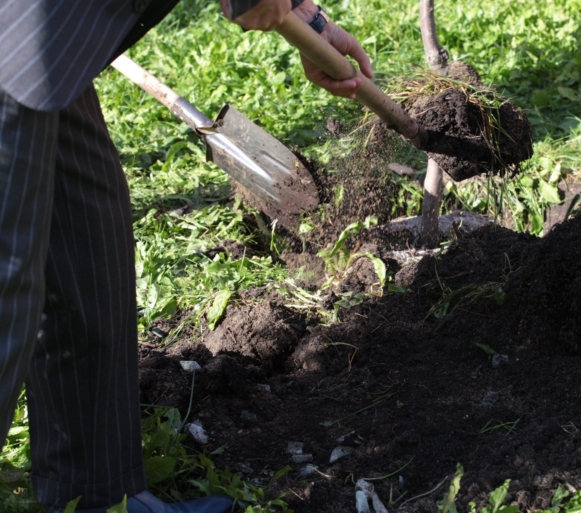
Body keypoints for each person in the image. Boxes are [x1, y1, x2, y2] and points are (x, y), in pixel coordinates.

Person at [0, 0, 373, 511]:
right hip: (17, 36)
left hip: (56, 46)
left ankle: (96, 496)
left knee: (88, 240)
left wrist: (311, 22)